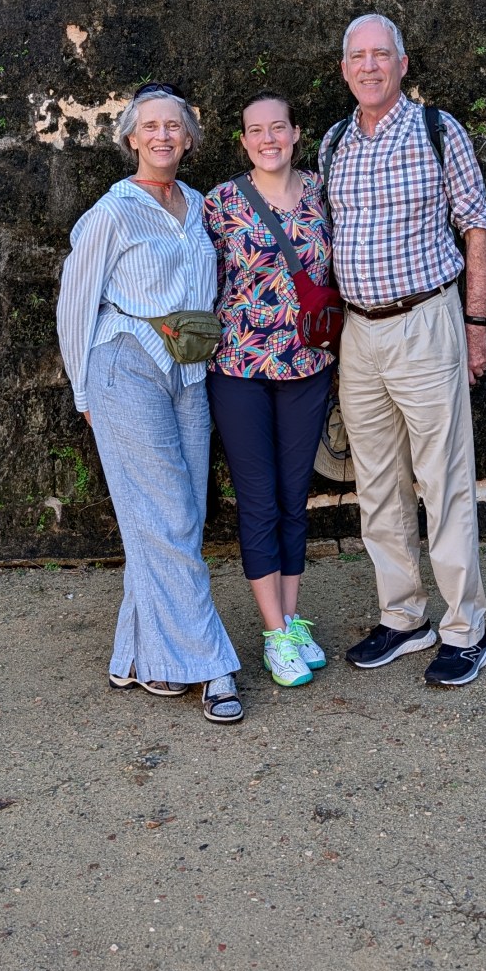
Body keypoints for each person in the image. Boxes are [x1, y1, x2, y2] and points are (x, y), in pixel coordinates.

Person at [56, 82, 243, 724]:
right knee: (167, 515)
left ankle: (135, 654)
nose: (163, 135)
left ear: (189, 139)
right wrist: (83, 389)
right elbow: (75, 304)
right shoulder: (112, 212)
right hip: (125, 364)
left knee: (176, 515)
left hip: (189, 367)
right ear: (132, 138)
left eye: (174, 126)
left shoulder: (199, 206)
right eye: (151, 126)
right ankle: (211, 666)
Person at [320, 15, 486, 687]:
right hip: (358, 332)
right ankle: (403, 616)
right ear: (344, 68)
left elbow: (478, 226)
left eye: (381, 54)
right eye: (357, 56)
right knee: (376, 484)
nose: (369, 66)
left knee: (443, 480)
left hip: (425, 322)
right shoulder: (334, 142)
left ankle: (466, 630)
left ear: (402, 63)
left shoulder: (436, 130)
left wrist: (475, 325)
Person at [204, 92, 335, 689]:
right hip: (240, 370)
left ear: (296, 133)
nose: (268, 139)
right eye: (255, 130)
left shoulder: (323, 193)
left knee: (293, 497)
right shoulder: (220, 203)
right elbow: (193, 274)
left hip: (307, 365)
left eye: (277, 127)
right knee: (258, 499)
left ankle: (292, 616)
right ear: (243, 141)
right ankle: (273, 631)